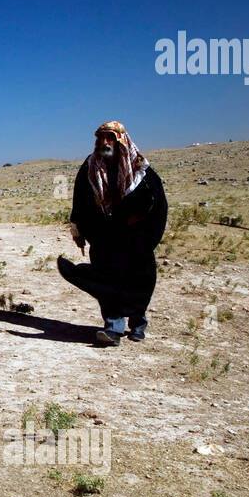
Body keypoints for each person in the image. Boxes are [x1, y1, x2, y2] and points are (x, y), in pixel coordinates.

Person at [58, 121, 167, 346]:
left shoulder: (139, 167)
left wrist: (146, 233)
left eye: (109, 137)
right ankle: (113, 328)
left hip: (135, 240)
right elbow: (80, 199)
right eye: (100, 138)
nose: (104, 142)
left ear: (120, 141)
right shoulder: (89, 167)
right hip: (105, 238)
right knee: (106, 282)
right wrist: (78, 228)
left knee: (138, 282)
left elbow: (157, 202)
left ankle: (137, 324)